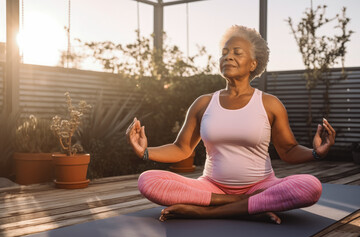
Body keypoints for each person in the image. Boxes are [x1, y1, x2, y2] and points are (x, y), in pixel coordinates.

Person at [126, 25, 336, 224]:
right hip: (211, 187)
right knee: (148, 181)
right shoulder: (203, 103)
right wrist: (145, 151)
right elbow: (182, 148)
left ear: (253, 64)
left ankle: (203, 212)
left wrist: (317, 153)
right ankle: (249, 207)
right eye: (225, 52)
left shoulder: (270, 104)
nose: (228, 56)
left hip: (262, 186)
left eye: (237, 52)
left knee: (310, 186)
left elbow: (288, 150)